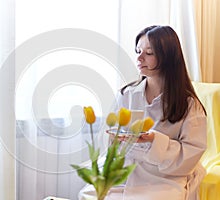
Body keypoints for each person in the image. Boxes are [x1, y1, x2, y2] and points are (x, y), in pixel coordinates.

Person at [79, 25, 207, 200]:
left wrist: (155, 140)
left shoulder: (189, 104)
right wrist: (115, 138)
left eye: (149, 53)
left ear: (168, 57)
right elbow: (109, 140)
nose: (139, 58)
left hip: (163, 177)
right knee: (89, 194)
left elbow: (192, 152)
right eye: (138, 51)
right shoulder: (127, 94)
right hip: (124, 172)